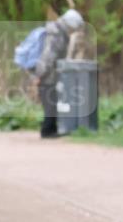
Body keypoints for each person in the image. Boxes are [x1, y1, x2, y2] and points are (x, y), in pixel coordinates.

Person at [33, 9, 85, 138]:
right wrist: (39, 75)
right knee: (50, 103)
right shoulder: (56, 35)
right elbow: (48, 57)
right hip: (46, 74)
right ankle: (47, 131)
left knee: (52, 101)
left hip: (50, 73)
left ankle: (52, 129)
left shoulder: (59, 32)